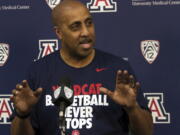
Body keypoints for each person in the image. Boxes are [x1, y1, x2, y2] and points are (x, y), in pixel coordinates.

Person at [10, 0, 153, 135]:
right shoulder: (38, 71)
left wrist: (132, 108)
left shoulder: (118, 69)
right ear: (59, 33)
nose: (86, 32)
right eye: (75, 26)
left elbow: (147, 132)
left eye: (89, 23)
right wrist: (23, 114)